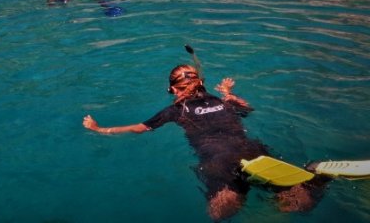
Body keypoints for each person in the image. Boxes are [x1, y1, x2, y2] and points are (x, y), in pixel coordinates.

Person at [83, 64, 327, 221]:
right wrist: (229, 93)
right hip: (254, 152)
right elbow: (247, 109)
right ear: (202, 83)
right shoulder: (224, 102)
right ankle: (315, 178)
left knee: (220, 214)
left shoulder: (176, 110)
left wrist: (100, 129)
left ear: (173, 89)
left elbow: (139, 129)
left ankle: (265, 199)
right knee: (296, 202)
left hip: (219, 162)